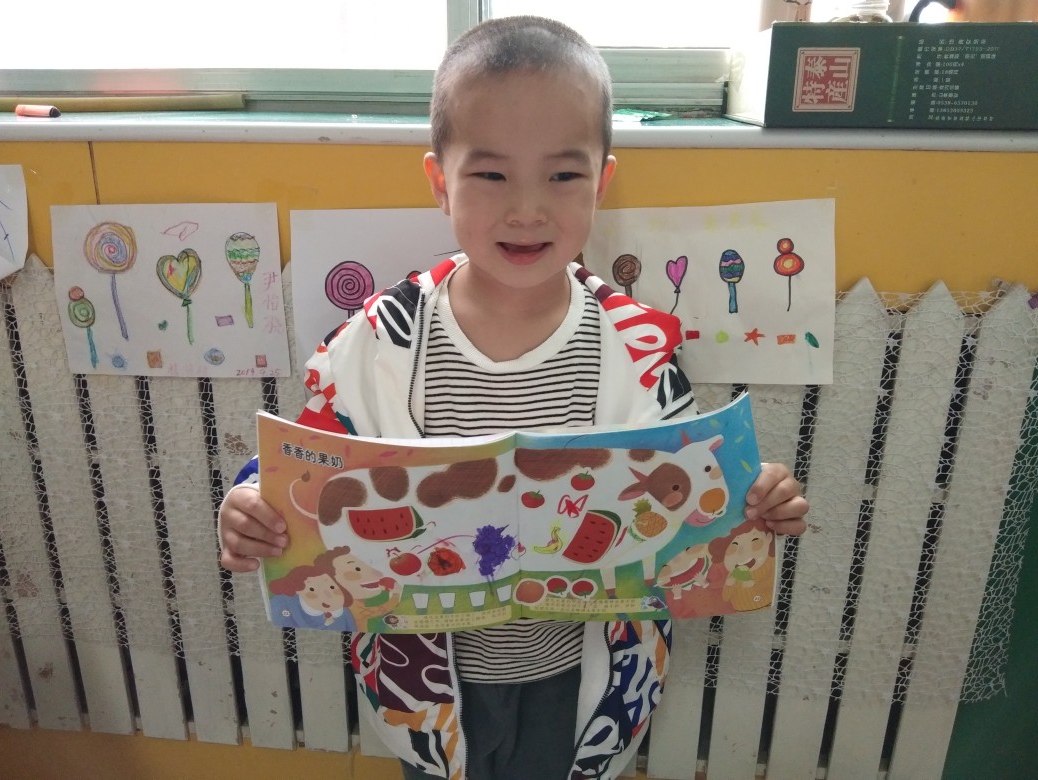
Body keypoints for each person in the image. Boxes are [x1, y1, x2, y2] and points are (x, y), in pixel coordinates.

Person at [218, 15, 809, 780]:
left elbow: (688, 490)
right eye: (492, 176)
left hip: (581, 679)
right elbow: (307, 466)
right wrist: (251, 504)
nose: (527, 209)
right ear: (441, 182)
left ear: (601, 182)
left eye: (562, 177)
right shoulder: (377, 342)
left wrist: (757, 500)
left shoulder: (638, 349)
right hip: (427, 683)